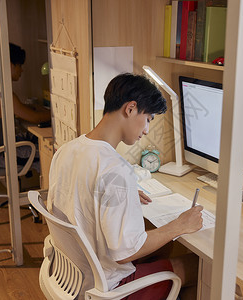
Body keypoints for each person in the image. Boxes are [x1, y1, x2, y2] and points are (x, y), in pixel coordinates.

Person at [47, 73, 203, 300]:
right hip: (107, 287)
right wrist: (178, 225)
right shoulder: (115, 170)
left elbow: (77, 193)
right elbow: (125, 253)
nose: (147, 129)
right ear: (130, 109)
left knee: (164, 248)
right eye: (148, 118)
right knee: (197, 267)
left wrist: (122, 196)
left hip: (74, 274)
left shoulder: (67, 150)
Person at [0, 43, 50, 169]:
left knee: (34, 138)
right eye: (19, 65)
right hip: (0, 154)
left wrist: (33, 108)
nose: (22, 70)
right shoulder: (1, 93)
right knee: (49, 154)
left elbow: (18, 110)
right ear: (9, 65)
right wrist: (54, 115)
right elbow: (35, 118)